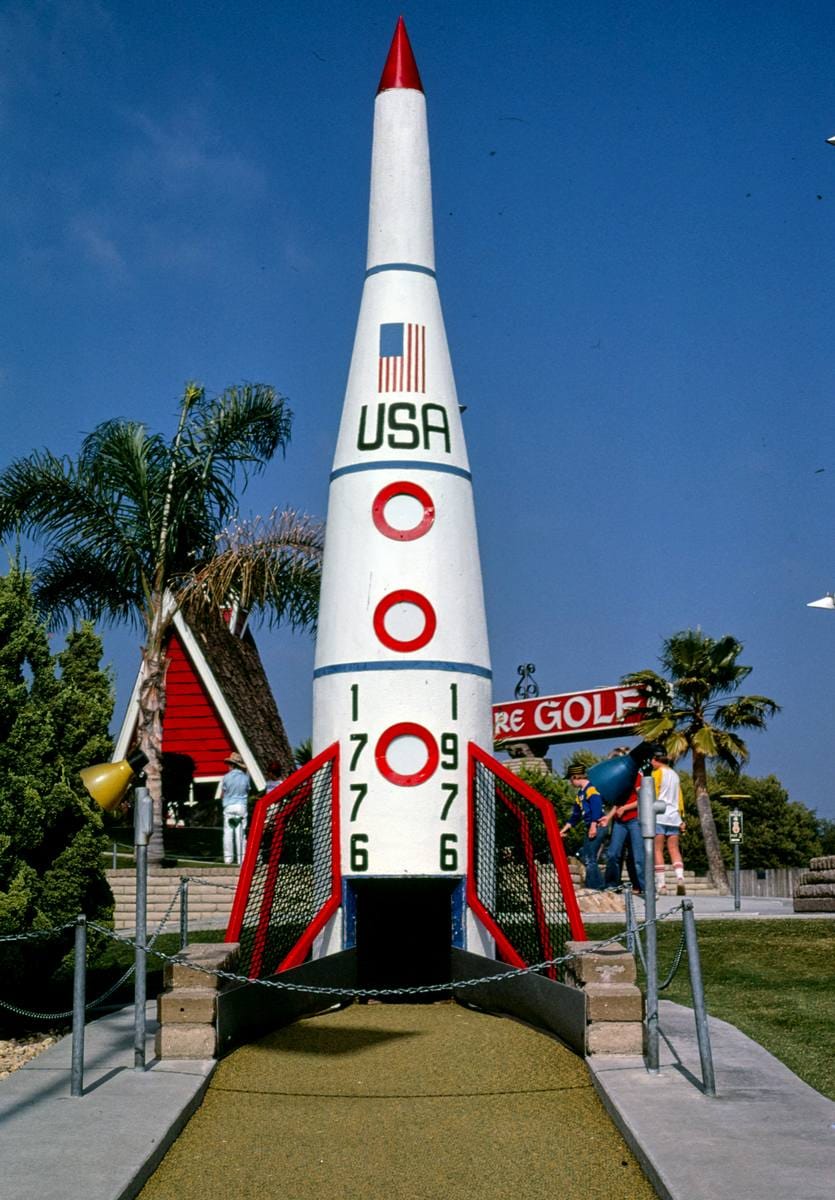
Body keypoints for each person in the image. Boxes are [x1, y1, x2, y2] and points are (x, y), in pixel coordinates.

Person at [599, 747, 645, 894]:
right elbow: (618, 803)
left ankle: (645, 887)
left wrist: (625, 808)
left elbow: (642, 798)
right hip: (620, 822)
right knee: (613, 854)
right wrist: (608, 817)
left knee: (637, 856)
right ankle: (612, 884)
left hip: (634, 820)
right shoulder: (617, 779)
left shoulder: (636, 775)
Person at [560, 763, 606, 890]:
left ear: (575, 777)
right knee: (584, 854)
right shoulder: (580, 794)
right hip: (590, 826)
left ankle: (595, 886)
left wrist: (593, 826)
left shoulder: (591, 790)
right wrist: (564, 829)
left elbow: (596, 809)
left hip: (597, 825)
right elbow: (575, 815)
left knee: (590, 857)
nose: (570, 782)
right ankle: (596, 883)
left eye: (570, 779)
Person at [651, 748, 686, 895]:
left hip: (659, 814)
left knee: (658, 850)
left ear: (656, 760)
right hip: (674, 816)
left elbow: (653, 793)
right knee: (674, 849)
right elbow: (680, 797)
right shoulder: (675, 775)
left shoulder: (656, 773)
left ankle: (662, 885)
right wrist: (682, 817)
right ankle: (680, 877)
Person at [220, 751, 251, 865]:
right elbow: (247, 790)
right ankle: (241, 859)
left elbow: (223, 793)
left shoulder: (226, 777)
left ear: (232, 765)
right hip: (241, 806)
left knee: (228, 832)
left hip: (229, 806)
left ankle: (228, 859)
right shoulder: (245, 778)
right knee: (240, 833)